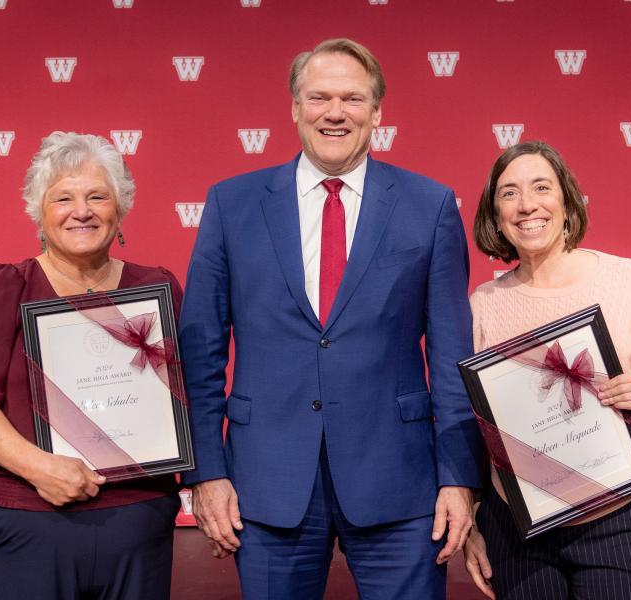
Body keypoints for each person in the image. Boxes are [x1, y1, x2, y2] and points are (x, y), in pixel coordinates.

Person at [179, 38, 483, 599]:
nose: (335, 112)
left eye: (353, 98)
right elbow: (200, 354)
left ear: (377, 112)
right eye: (319, 97)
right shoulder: (231, 204)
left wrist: (459, 476)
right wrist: (207, 471)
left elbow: (451, 359)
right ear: (295, 107)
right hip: (265, 481)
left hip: (401, 480)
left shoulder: (430, 205)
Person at [0, 131, 183, 600]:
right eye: (63, 197)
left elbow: (186, 393)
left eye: (97, 196)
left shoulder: (156, 289)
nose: (81, 211)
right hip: (34, 514)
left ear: (120, 208)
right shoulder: (6, 288)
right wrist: (41, 468)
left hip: (139, 513)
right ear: (39, 213)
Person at [465, 140, 631, 599]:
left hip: (622, 513)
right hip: (517, 525)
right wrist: (477, 517)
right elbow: (474, 422)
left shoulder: (629, 281)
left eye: (541, 187)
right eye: (509, 193)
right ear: (495, 216)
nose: (527, 205)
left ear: (567, 202)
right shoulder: (483, 305)